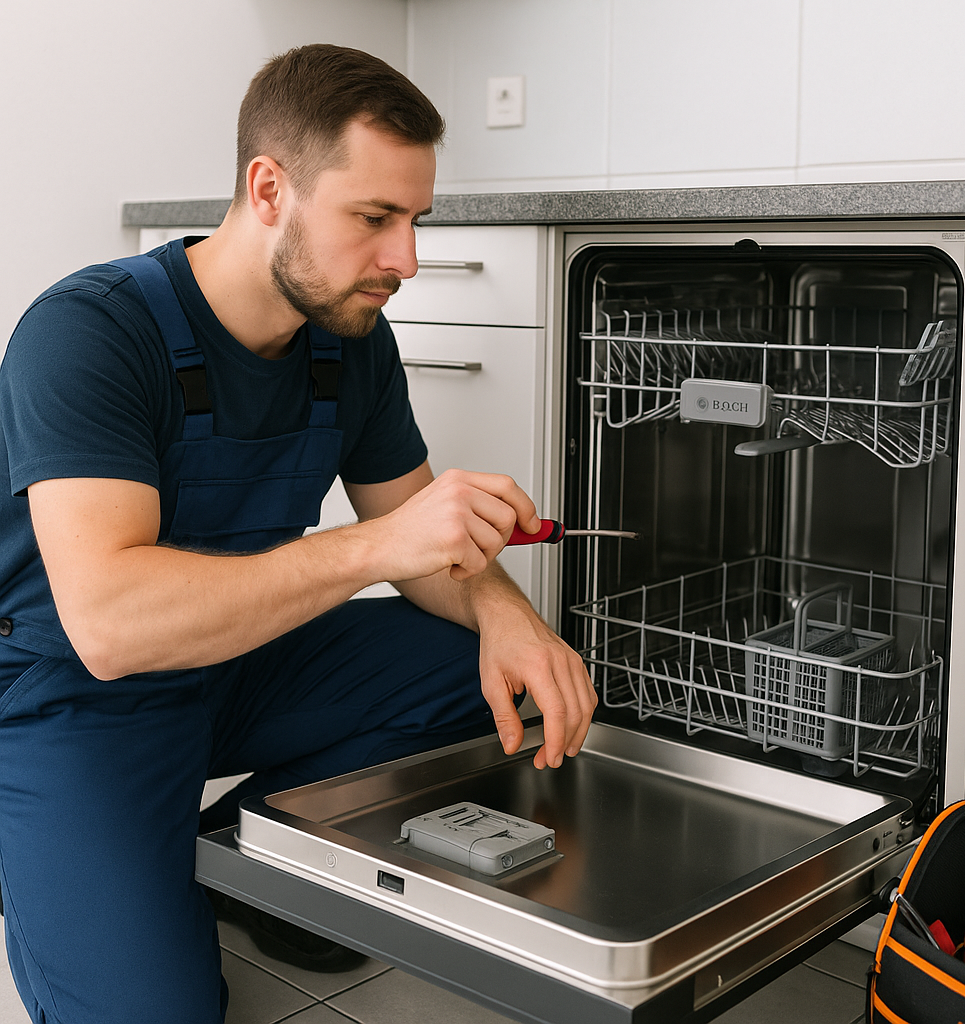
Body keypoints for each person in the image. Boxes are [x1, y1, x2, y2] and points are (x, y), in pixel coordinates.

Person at [0, 44, 596, 1024]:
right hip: (71, 694)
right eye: (375, 218)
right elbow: (108, 622)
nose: (406, 257)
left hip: (235, 662)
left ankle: (238, 862)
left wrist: (508, 616)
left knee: (475, 671)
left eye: (415, 221)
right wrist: (377, 546)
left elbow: (423, 530)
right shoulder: (91, 333)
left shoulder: (348, 341)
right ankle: (77, 849)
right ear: (268, 187)